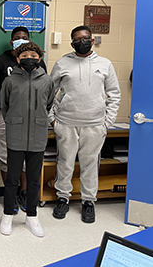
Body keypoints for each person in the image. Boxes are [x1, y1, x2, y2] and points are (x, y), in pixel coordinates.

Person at [51, 26, 121, 223]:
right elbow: (49, 92)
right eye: (77, 39)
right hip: (66, 123)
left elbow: (114, 94)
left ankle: (88, 201)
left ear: (92, 40)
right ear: (72, 43)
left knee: (90, 164)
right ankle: (63, 197)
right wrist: (52, 120)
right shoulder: (62, 63)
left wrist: (107, 122)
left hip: (95, 124)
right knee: (65, 163)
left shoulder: (105, 64)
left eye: (85, 38)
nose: (82, 41)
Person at [0, 26, 47, 212]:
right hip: (4, 115)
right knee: (6, 156)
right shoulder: (0, 62)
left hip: (32, 118)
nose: (21, 40)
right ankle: (10, 195)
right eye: (17, 38)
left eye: (25, 37)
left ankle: (24, 192)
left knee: (26, 156)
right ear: (11, 41)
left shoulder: (39, 62)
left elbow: (48, 95)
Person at [0, 42, 55, 237]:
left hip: (38, 135)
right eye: (24, 55)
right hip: (16, 134)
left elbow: (48, 104)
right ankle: (7, 215)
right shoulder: (10, 81)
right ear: (17, 59)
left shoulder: (47, 81)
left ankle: (32, 216)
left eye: (33, 55)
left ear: (39, 59)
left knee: (33, 179)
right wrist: (15, 121)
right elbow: (4, 106)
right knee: (12, 178)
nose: (28, 58)